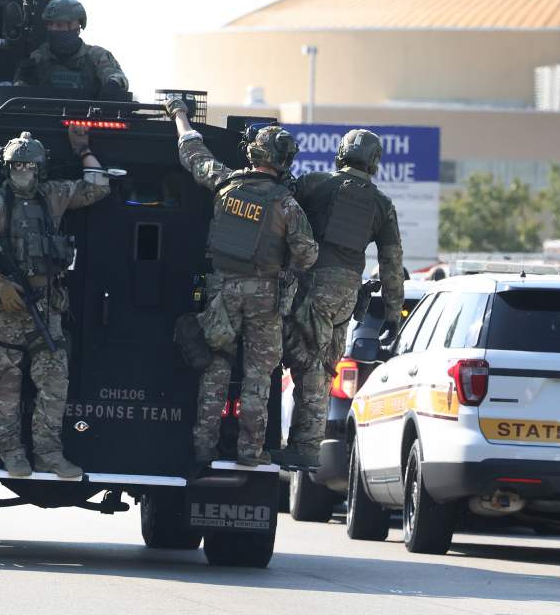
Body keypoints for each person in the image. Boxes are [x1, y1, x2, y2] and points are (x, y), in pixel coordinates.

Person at [165, 99, 318, 470]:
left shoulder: (224, 183)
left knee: (215, 368)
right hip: (266, 297)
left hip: (222, 293)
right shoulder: (286, 204)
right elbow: (308, 254)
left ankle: (204, 449)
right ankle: (250, 452)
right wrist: (286, 270)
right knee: (257, 377)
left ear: (253, 153)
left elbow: (192, 152)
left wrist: (178, 113)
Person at [0, 126, 108, 478]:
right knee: (6, 385)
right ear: (6, 168)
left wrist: (83, 150)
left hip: (46, 308)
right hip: (8, 310)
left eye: (29, 167)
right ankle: (12, 454)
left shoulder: (53, 195)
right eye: (17, 167)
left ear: (40, 169)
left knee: (54, 382)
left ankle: (49, 454)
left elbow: (99, 186)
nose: (23, 173)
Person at [274, 129, 404, 468]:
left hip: (314, 285)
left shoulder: (315, 184)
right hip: (348, 294)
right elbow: (391, 263)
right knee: (325, 367)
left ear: (342, 153)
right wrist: (393, 314)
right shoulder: (382, 205)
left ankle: (303, 448)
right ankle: (306, 445)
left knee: (308, 365)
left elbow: (276, 207)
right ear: (374, 161)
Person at [12, 0, 130, 100]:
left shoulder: (96, 55)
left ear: (78, 26)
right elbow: (19, 93)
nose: (54, 29)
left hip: (87, 115)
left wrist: (112, 84)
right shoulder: (38, 57)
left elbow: (118, 77)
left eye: (59, 25)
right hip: (47, 115)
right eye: (50, 25)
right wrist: (22, 80)